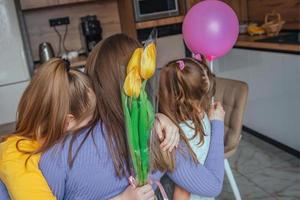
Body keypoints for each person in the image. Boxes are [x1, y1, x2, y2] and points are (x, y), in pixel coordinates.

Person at [0, 58, 160, 200]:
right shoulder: (16, 157)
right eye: (91, 120)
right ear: (67, 122)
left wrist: (160, 118)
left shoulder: (42, 140)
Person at [152, 57, 225, 200]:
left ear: (175, 97)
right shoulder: (202, 115)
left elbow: (182, 192)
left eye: (161, 89)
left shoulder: (180, 134)